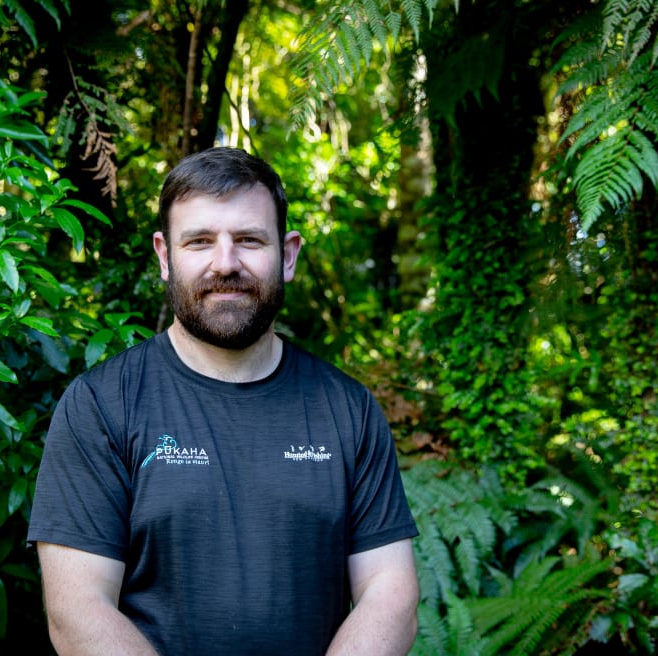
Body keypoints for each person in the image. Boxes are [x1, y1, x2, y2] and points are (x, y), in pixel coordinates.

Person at [27, 147, 420, 655]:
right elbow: (78, 610)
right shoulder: (101, 407)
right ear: (165, 256)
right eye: (200, 241)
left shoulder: (348, 410)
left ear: (290, 254)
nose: (225, 263)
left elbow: (389, 593)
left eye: (250, 240)